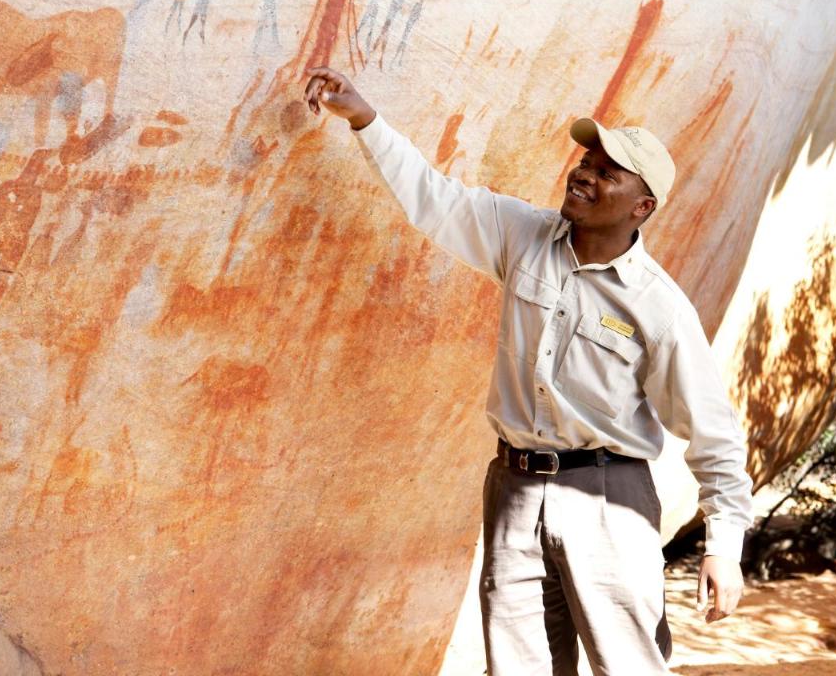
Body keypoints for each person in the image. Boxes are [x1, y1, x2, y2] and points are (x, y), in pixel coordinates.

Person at [302, 66, 753, 675]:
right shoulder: (522, 234)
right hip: (514, 490)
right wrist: (364, 118)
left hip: (608, 498)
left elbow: (714, 433)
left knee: (628, 666)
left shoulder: (660, 308)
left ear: (642, 207)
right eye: (586, 162)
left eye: (607, 173)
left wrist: (724, 545)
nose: (584, 174)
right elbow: (432, 198)